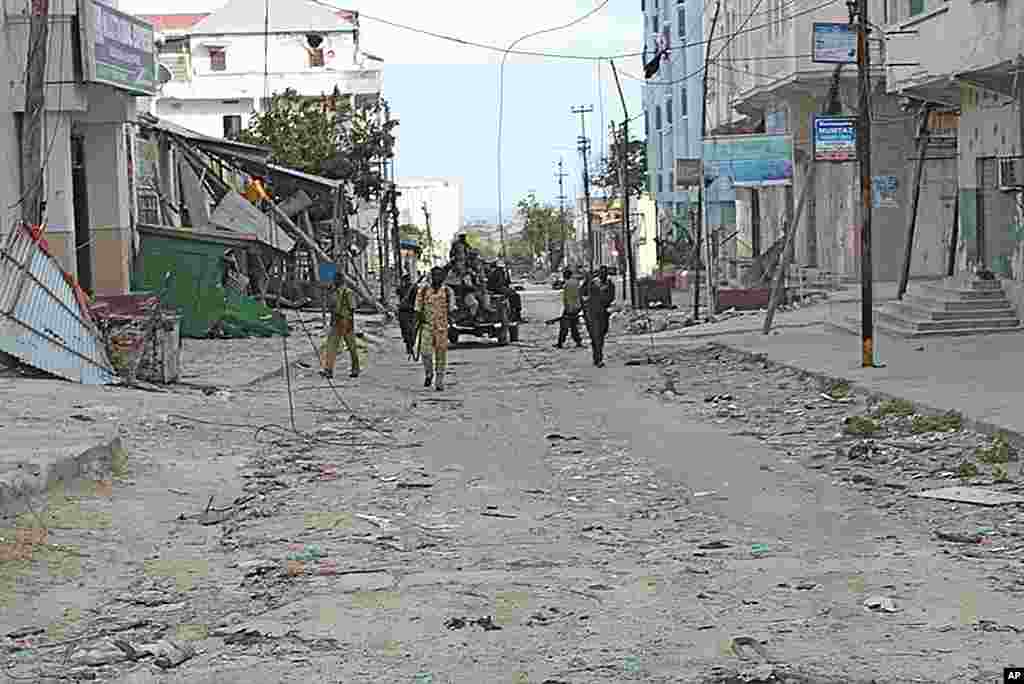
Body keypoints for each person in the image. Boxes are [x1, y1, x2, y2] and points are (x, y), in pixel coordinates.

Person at [415, 266, 457, 391]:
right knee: (425, 352)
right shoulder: (423, 291)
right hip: (427, 326)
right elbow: (417, 309)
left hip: (442, 328)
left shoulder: (448, 292)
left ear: (443, 277)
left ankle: (439, 380)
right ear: (431, 276)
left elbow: (452, 311)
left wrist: (453, 326)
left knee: (441, 355)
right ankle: (429, 373)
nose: (437, 278)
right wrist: (416, 325)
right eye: (435, 275)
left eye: (440, 275)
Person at [320, 272, 360, 379]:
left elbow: (352, 309)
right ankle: (328, 370)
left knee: (351, 347)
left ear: (340, 280)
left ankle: (355, 368)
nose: (333, 282)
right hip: (336, 322)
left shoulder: (348, 292)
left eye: (335, 280)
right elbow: (331, 306)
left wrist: (349, 324)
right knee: (331, 347)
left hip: (346, 321)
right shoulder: (334, 292)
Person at [582, 265, 615, 368]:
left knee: (601, 335)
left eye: (605, 273)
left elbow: (611, 298)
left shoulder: (610, 285)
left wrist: (604, 299)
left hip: (603, 314)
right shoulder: (591, 284)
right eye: (601, 273)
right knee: (596, 336)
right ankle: (598, 358)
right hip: (592, 314)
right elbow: (582, 294)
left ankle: (597, 355)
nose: (603, 275)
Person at [554, 268, 583, 349]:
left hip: (569, 307)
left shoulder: (567, 284)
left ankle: (560, 342)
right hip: (576, 307)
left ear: (566, 275)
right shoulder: (576, 282)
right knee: (573, 325)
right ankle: (578, 341)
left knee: (564, 326)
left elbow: (567, 298)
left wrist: (567, 308)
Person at [396, 273, 417, 356]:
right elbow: (397, 293)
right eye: (405, 280)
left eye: (408, 280)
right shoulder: (401, 288)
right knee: (405, 330)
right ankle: (408, 346)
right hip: (403, 311)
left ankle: (411, 344)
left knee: (412, 330)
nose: (407, 282)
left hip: (412, 311)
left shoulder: (414, 288)